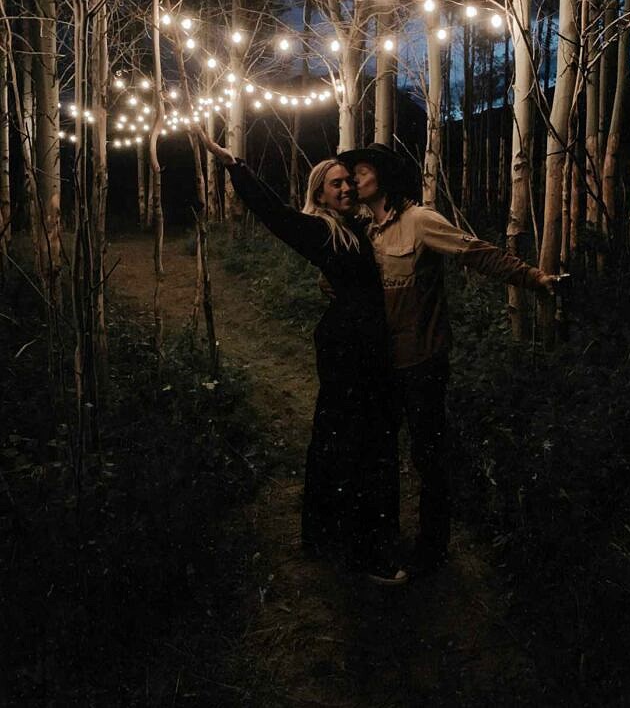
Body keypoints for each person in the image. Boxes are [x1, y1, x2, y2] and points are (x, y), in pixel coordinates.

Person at [195, 128, 406, 586]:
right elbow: (273, 213)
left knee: (346, 437)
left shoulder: (356, 228)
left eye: (348, 181)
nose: (346, 188)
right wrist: (234, 165)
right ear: (320, 195)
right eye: (336, 184)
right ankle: (361, 550)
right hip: (348, 348)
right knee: (356, 442)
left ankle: (327, 534)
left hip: (365, 345)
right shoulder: (320, 230)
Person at [337, 143, 557, 577]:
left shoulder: (420, 221)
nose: (354, 180)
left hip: (421, 362)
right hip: (381, 365)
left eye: (360, 171)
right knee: (381, 454)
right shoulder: (365, 231)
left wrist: (532, 277)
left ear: (383, 176)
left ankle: (432, 547)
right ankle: (387, 538)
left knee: (428, 456)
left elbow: (474, 252)